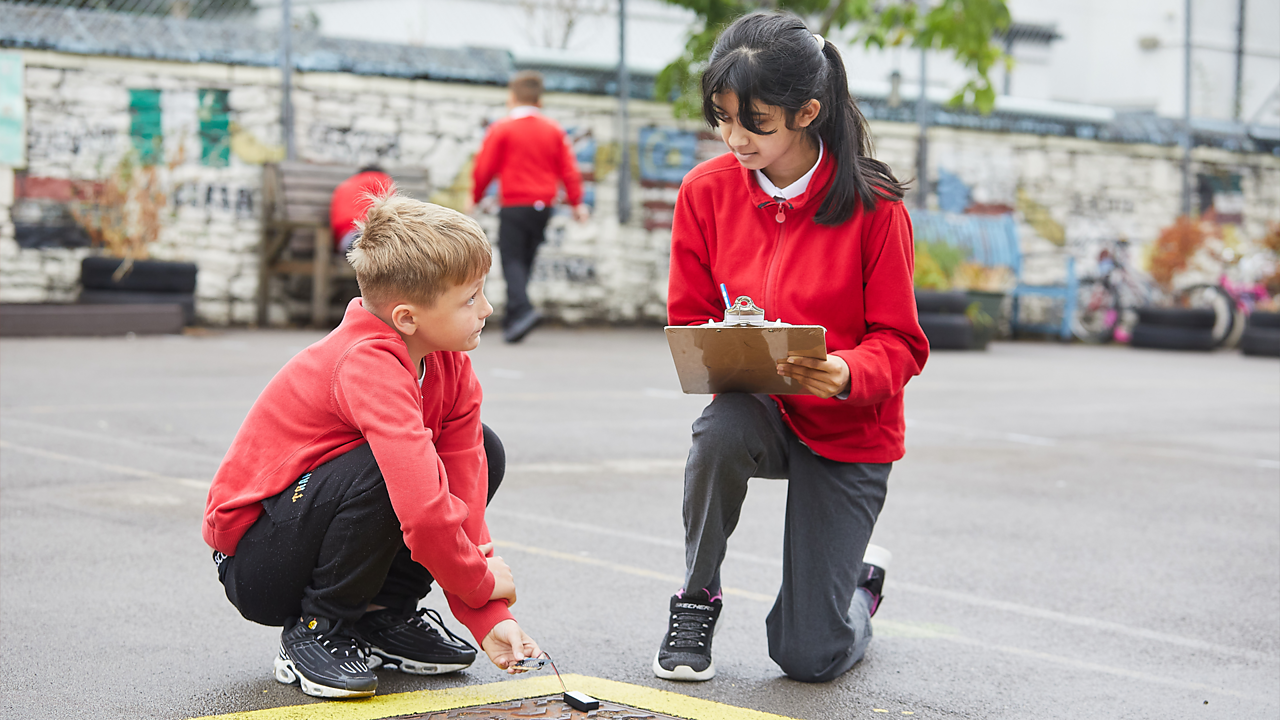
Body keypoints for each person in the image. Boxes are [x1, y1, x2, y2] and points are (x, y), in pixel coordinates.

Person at [655, 12, 930, 684]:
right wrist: (720, 345)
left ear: (807, 111)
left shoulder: (876, 206)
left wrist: (845, 372)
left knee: (808, 656)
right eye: (722, 118)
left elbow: (902, 343)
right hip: (760, 412)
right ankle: (695, 598)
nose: (733, 138)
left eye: (754, 123)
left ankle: (858, 590)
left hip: (848, 430)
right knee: (720, 428)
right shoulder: (705, 191)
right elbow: (688, 314)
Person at [204, 194, 540, 699]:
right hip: (260, 562)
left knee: (485, 450)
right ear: (407, 318)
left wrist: (488, 614)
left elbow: (461, 500)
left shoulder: (449, 364)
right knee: (389, 468)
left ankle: (383, 617)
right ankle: (318, 631)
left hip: (312, 533)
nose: (487, 309)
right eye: (470, 298)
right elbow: (425, 514)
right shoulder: (366, 362)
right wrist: (477, 582)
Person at [471, 70, 589, 343]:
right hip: (543, 207)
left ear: (512, 97)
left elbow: (484, 168)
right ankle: (515, 321)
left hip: (514, 204)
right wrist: (577, 203)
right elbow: (569, 170)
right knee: (525, 260)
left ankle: (522, 309)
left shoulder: (502, 128)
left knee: (511, 259)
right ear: (539, 100)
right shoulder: (554, 130)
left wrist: (475, 197)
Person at [331, 165, 394, 254]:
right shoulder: (381, 179)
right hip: (369, 237)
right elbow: (392, 210)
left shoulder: (344, 186)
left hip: (345, 241)